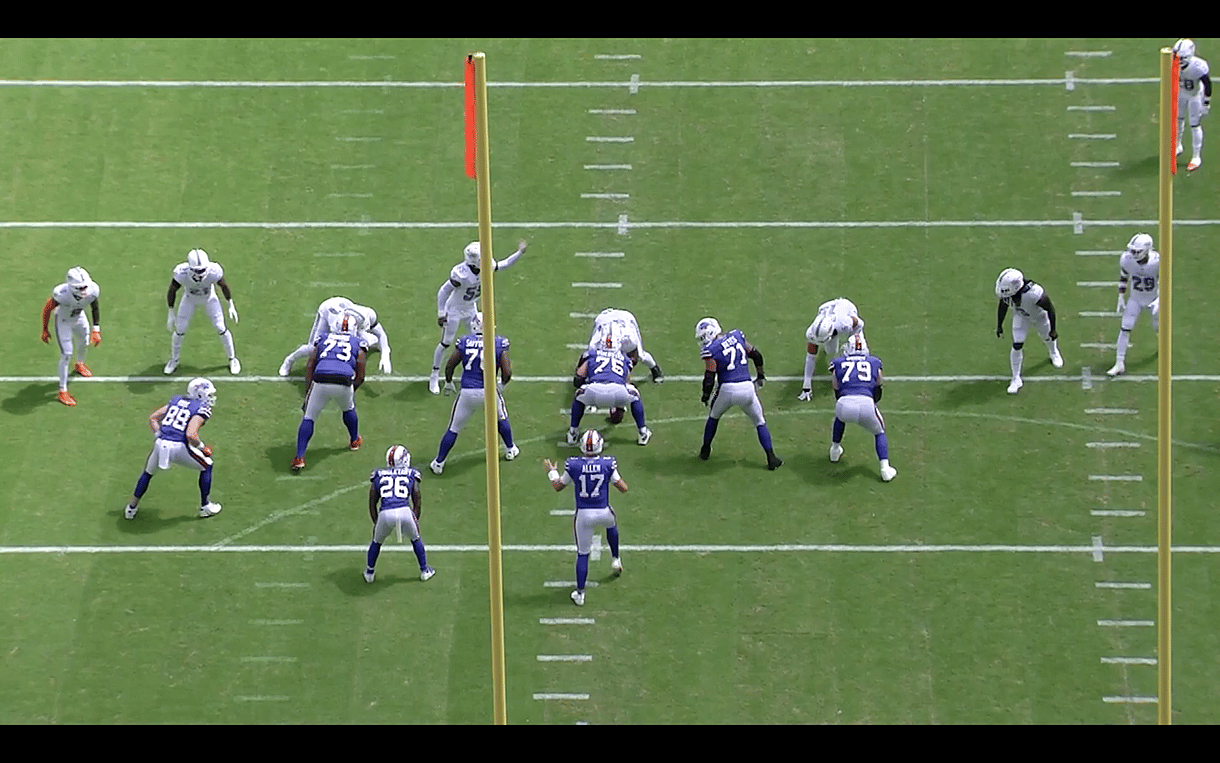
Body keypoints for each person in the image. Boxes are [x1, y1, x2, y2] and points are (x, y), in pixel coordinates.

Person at [428, 239, 526, 394]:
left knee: (480, 341)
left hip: (471, 308)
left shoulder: (486, 266)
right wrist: (441, 313)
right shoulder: (461, 274)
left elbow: (504, 264)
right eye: (481, 259)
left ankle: (477, 374)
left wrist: (519, 252)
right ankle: (434, 374)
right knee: (446, 342)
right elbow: (443, 291)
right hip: (454, 310)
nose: (485, 260)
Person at [429, 312, 519, 474]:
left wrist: (448, 382)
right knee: (501, 418)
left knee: (453, 428)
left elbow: (450, 365)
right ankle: (510, 449)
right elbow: (507, 371)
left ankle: (438, 462)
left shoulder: (464, 341)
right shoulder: (498, 342)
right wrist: (501, 385)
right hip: (489, 392)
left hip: (467, 392)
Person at [544, 429, 625, 607]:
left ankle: (580, 594)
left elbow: (558, 486)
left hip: (584, 515)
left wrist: (552, 472)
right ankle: (615, 559)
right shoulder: (607, 463)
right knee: (612, 523)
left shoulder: (573, 464)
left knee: (583, 554)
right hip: (603, 511)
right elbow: (623, 487)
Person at [123, 377, 222, 519]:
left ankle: (131, 508)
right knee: (207, 465)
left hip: (160, 443)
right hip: (178, 446)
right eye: (208, 394)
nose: (210, 397)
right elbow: (191, 434)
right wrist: (202, 447)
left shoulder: (176, 400)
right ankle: (205, 506)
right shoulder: (200, 408)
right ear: (199, 393)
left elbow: (153, 418)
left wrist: (159, 435)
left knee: (148, 473)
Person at [695, 317, 783, 470]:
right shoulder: (737, 336)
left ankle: (705, 450)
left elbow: (710, 375)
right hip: (747, 387)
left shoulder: (711, 350)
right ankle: (771, 457)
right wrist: (760, 375)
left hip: (727, 389)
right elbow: (756, 355)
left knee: (714, 416)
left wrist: (705, 395)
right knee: (759, 421)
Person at [291, 309, 366, 473]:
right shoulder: (358, 342)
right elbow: (361, 371)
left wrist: (308, 390)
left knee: (309, 417)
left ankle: (299, 457)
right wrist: (351, 388)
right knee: (349, 408)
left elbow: (310, 364)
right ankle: (354, 440)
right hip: (344, 380)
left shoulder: (323, 338)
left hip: (321, 378)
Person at [828, 335, 897, 482]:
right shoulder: (874, 361)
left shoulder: (838, 362)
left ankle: (834, 450)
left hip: (844, 403)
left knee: (840, 418)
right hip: (866, 403)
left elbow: (835, 385)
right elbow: (879, 382)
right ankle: (885, 468)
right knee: (879, 431)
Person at [364, 444, 436, 583]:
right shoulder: (411, 474)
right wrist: (414, 519)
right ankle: (424, 570)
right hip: (404, 511)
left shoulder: (379, 474)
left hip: (385, 513)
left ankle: (369, 573)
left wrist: (376, 522)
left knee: (376, 542)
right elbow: (417, 498)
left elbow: (372, 501)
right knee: (416, 539)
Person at [163, 248, 241, 375]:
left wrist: (230, 304)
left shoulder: (213, 271)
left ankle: (232, 358)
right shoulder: (181, 273)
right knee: (179, 330)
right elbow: (172, 290)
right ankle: (174, 360)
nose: (200, 273)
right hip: (189, 299)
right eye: (197, 270)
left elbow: (223, 286)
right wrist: (170, 312)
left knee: (221, 328)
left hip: (209, 299)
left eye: (202, 270)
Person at [566, 334, 652, 447]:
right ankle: (643, 433)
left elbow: (579, 375)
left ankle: (573, 433)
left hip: (594, 391)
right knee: (634, 394)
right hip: (617, 391)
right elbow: (627, 379)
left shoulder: (592, 354)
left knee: (579, 395)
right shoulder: (624, 358)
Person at [279, 297, 393, 376]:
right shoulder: (335, 322)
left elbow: (381, 333)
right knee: (312, 348)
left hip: (345, 307)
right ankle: (289, 360)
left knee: (357, 344)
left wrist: (385, 355)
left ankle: (367, 339)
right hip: (327, 310)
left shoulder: (369, 315)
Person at [995, 268, 1063, 394]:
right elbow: (1003, 305)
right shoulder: (1009, 295)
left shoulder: (1034, 293)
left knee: (1047, 337)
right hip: (1021, 316)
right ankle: (1016, 378)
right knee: (1017, 345)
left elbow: (1050, 309)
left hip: (1040, 317)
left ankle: (1053, 351)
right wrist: (999, 325)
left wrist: (1053, 329)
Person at [40, 267, 101, 407]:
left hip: (79, 317)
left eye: (85, 286)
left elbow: (94, 306)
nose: (84, 290)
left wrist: (96, 329)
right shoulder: (62, 294)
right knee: (66, 353)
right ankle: (62, 390)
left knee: (85, 341)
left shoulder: (93, 289)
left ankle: (79, 363)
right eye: (80, 287)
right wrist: (45, 329)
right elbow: (48, 307)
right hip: (63, 321)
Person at [1107, 233, 1160, 377]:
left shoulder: (1157, 262)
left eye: (1137, 251)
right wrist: (1121, 295)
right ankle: (1119, 363)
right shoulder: (1127, 259)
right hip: (1135, 298)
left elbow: (1165, 282)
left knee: (1158, 327)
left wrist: (1159, 300)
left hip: (1153, 298)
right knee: (1125, 328)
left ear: (1147, 250)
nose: (1134, 254)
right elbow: (1124, 276)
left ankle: (1163, 346)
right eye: (1133, 251)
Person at [800, 297, 867, 401]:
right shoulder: (811, 333)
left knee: (860, 349)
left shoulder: (844, 323)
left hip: (846, 308)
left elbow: (860, 325)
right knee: (831, 351)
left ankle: (862, 375)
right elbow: (810, 357)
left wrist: (855, 342)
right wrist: (806, 386)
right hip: (825, 308)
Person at [587, 308, 664, 383]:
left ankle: (655, 369)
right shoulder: (595, 346)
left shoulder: (629, 340)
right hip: (603, 319)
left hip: (624, 319)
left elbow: (634, 358)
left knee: (640, 355)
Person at [1173, 39, 1211, 172]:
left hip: (1194, 96)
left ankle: (1196, 156)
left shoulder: (1198, 66)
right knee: (1178, 120)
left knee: (1194, 124)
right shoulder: (1171, 62)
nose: (1178, 60)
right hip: (1181, 94)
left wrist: (1206, 102)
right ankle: (1177, 145)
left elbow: (1207, 84)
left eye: (1181, 58)